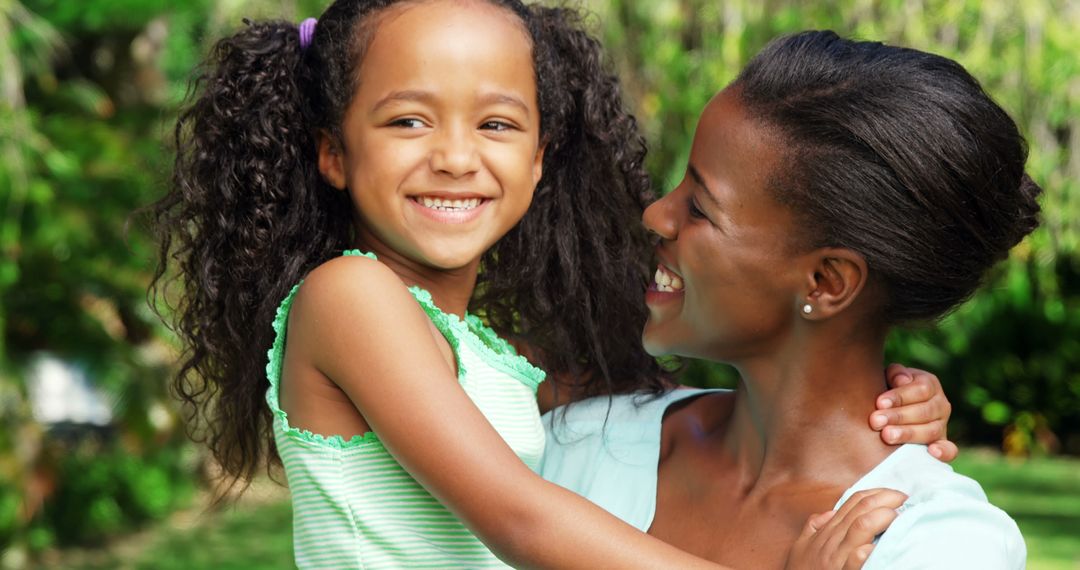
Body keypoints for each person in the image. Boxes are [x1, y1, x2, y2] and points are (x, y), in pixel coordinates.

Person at [148, 1, 956, 566]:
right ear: (333, 153)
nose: (457, 157)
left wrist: (884, 398)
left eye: (495, 123)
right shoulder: (350, 298)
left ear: (539, 160)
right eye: (407, 120)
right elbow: (520, 517)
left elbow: (690, 397)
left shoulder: (483, 356)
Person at [542, 30, 1036, 569]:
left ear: (825, 283)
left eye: (701, 209)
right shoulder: (586, 440)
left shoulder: (941, 542)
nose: (657, 215)